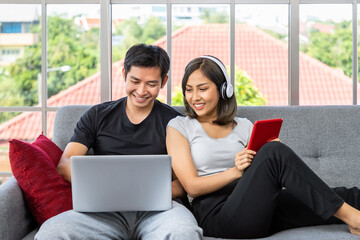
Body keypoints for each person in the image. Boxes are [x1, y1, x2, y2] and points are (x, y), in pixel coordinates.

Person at [166, 55, 360, 239]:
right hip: (218, 214)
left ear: (224, 89)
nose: (194, 97)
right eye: (189, 89)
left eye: (202, 88)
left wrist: (280, 155)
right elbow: (192, 187)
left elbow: (271, 166)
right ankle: (354, 220)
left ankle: (351, 211)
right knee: (273, 153)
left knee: (347, 195)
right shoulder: (180, 127)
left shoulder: (245, 126)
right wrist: (236, 171)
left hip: (259, 206)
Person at [35, 44, 203, 240]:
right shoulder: (97, 116)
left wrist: (144, 193)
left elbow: (185, 182)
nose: (141, 91)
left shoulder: (176, 122)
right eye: (135, 81)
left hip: (161, 210)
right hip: (102, 211)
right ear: (124, 74)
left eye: (151, 84)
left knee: (185, 233)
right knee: (51, 232)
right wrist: (109, 189)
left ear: (163, 81)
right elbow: (65, 165)